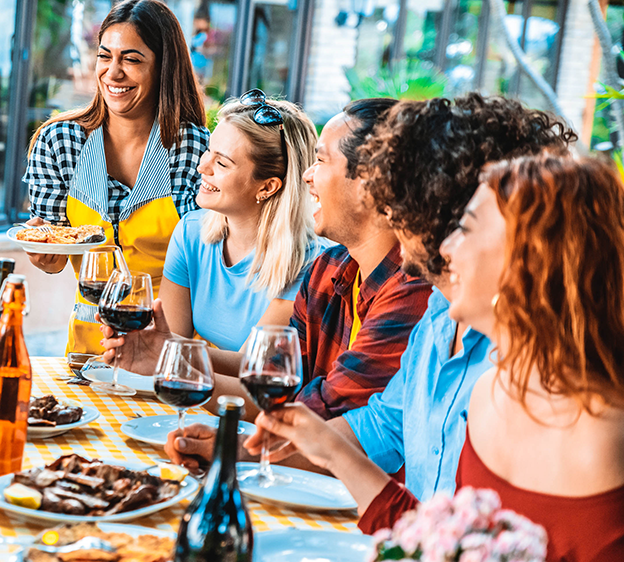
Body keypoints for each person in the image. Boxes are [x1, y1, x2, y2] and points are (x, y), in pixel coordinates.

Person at [252, 155, 624, 561]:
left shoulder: (607, 437)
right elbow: (443, 543)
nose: (444, 248)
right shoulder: (490, 393)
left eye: (464, 229)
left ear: (528, 261)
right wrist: (326, 446)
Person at [108, 98, 432, 420]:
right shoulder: (330, 269)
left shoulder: (409, 294)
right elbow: (268, 381)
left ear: (370, 186)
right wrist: (167, 355)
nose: (307, 176)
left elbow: (326, 415)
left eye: (321, 161)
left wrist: (178, 366)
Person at [23, 0, 209, 355]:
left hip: (169, 348)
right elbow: (56, 249)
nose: (113, 72)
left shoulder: (194, 149)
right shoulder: (59, 142)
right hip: (89, 348)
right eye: (105, 56)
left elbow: (210, 258)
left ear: (163, 67)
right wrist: (46, 255)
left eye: (132, 59)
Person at [159, 92, 328, 352]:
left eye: (222, 163)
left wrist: (158, 351)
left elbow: (252, 370)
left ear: (268, 187)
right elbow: (170, 350)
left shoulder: (308, 262)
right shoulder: (190, 233)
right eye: (208, 151)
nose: (203, 167)